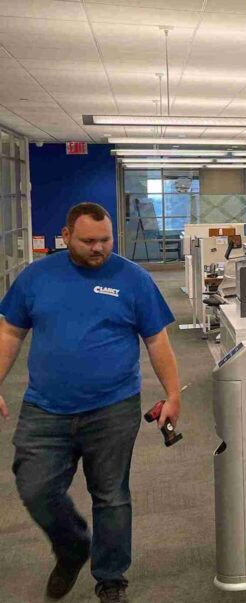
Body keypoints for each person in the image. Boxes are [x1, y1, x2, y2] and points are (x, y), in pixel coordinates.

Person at [0, 202, 180, 603]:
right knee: (35, 488)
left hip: (113, 407)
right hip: (45, 407)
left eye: (105, 239)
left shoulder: (132, 278)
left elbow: (157, 339)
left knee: (112, 495)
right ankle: (72, 547)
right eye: (88, 241)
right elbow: (10, 332)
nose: (99, 248)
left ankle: (111, 578)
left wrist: (173, 394)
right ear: (66, 236)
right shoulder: (36, 276)